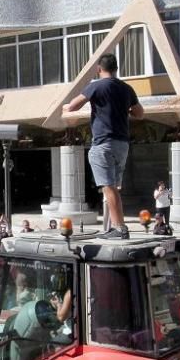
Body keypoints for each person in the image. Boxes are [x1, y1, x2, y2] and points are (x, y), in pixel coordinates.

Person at [62, 53, 144, 240]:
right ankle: (114, 225)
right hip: (122, 144)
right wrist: (124, 109)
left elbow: (73, 106)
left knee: (108, 187)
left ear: (99, 69)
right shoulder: (126, 88)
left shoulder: (96, 86)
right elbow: (139, 113)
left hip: (103, 143)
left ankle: (119, 228)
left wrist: (64, 107)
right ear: (115, 69)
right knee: (114, 187)